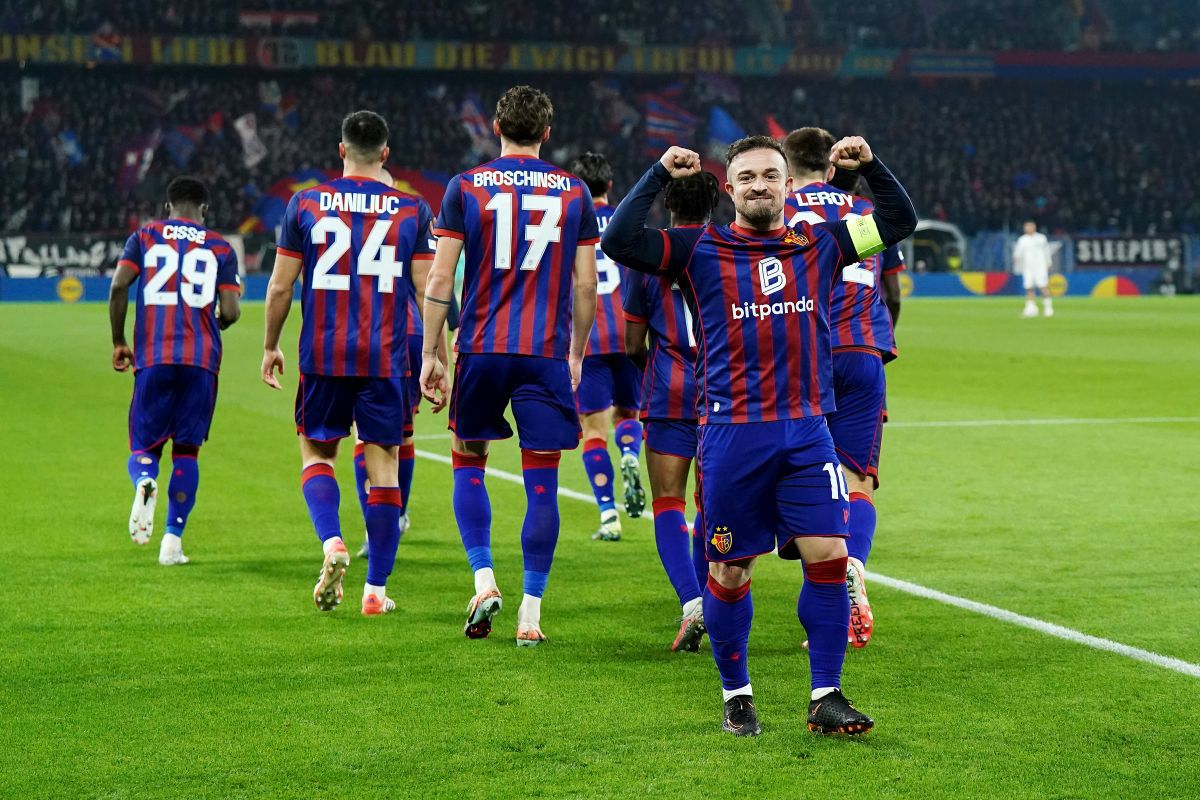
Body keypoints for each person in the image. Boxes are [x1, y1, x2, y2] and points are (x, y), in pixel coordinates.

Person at [602, 135, 916, 737]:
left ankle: (825, 695)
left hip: (806, 433)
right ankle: (736, 694)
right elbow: (619, 242)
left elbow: (900, 219)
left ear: (789, 187)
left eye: (770, 176)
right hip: (730, 437)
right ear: (729, 189)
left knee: (829, 556)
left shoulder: (822, 242)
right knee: (729, 573)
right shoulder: (698, 248)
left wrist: (873, 166)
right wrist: (657, 176)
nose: (759, 187)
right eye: (746, 178)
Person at [420, 85, 599, 647]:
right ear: (547, 132)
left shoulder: (466, 186)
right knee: (540, 478)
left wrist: (431, 351)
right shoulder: (575, 192)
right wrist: (576, 352)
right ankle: (530, 614)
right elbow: (586, 282)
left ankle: (483, 579)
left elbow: (441, 279)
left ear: (496, 128)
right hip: (545, 352)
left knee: (467, 459)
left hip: (481, 347)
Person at [262, 110, 435, 616]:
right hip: (385, 356)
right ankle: (376, 592)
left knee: (318, 457)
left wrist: (270, 346)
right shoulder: (411, 209)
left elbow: (279, 286)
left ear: (341, 150)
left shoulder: (306, 203)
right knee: (385, 471)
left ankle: (332, 542)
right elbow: (429, 291)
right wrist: (435, 356)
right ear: (385, 154)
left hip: (323, 353)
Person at [784, 127, 906, 648]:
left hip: (802, 355)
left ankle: (824, 597)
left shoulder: (778, 212)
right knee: (858, 484)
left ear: (787, 171)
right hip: (861, 352)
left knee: (806, 485)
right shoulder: (863, 216)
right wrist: (879, 337)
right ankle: (854, 563)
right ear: (832, 167)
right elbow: (892, 289)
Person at [109, 176, 241, 566]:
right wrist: (216, 320)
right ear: (204, 208)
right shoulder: (220, 246)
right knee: (187, 452)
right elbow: (230, 311)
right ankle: (172, 542)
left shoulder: (145, 236)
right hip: (201, 363)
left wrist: (119, 340)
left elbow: (118, 286)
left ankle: (145, 480)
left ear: (168, 207)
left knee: (145, 447)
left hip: (153, 356)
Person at [622, 171, 720, 652]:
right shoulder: (731, 247)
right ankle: (715, 599)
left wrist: (658, 365)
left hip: (669, 392)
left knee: (667, 502)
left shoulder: (647, 255)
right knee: (712, 503)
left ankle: (691, 602)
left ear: (666, 204)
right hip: (726, 391)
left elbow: (631, 342)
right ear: (717, 203)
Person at [350, 164, 456, 562]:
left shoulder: (343, 215)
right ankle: (397, 515)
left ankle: (373, 528)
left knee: (366, 437)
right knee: (402, 437)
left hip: (365, 332)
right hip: (411, 333)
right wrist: (440, 355)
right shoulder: (410, 212)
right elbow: (432, 283)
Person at [569, 152, 646, 542]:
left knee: (593, 429)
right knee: (628, 413)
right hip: (630, 334)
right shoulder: (627, 220)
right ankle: (631, 452)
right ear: (610, 186)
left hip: (590, 336)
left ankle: (608, 515)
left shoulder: (569, 222)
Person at [1013, 220, 1053, 317]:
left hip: (1040, 267)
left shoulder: (1041, 238)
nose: (1028, 228)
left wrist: (1048, 263)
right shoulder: (1022, 240)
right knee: (1029, 287)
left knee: (1043, 286)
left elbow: (1047, 252)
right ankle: (1031, 308)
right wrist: (1017, 262)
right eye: (1026, 227)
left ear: (1034, 227)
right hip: (1027, 268)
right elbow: (1017, 254)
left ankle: (1048, 308)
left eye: (1030, 226)